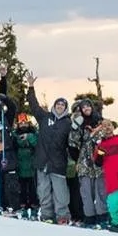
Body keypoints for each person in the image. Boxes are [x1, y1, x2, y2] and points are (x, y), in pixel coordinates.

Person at [24, 88, 73, 224]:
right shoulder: (45, 117)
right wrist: (31, 88)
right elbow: (34, 105)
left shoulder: (68, 124)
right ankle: (46, 215)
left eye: (62, 105)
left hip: (58, 164)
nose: (60, 106)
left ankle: (62, 216)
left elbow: (73, 142)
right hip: (42, 162)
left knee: (61, 193)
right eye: (58, 104)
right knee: (43, 191)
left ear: (65, 108)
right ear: (54, 106)